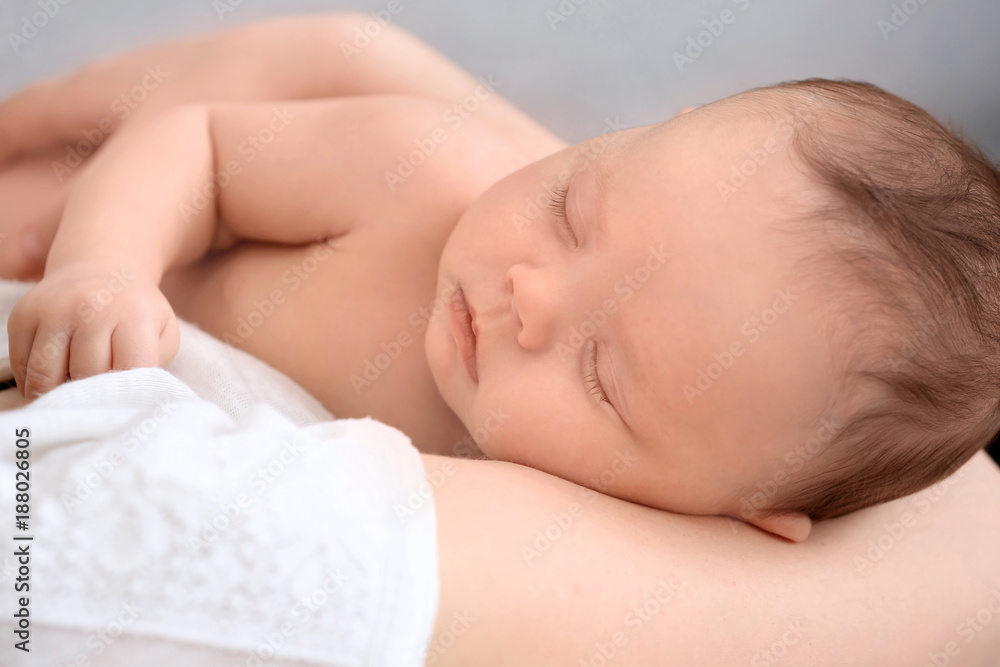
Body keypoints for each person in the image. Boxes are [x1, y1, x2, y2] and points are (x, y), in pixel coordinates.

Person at [0, 13, 998, 665]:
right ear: (643, 130)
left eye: (603, 374)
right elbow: (202, 146)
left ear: (743, 516)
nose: (529, 296)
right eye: (573, 207)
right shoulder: (422, 174)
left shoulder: (583, 536)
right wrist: (107, 266)